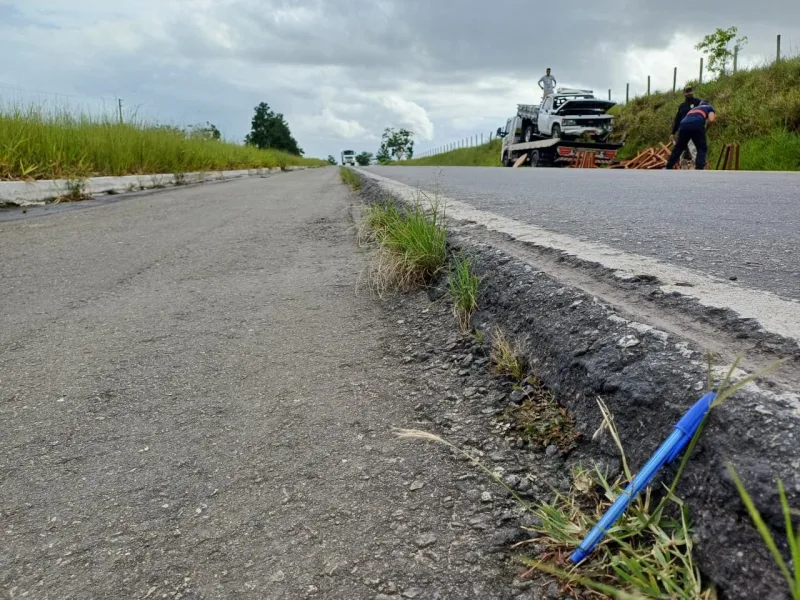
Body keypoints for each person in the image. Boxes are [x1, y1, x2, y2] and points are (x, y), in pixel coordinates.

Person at [666, 100, 716, 170]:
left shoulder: (693, 109)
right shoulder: (709, 107)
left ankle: (669, 166)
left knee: (678, 147)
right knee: (701, 147)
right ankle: (699, 167)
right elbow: (711, 120)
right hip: (697, 124)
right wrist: (706, 129)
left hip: (683, 125)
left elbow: (686, 120)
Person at [671, 86, 702, 165]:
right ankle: (683, 171)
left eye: (690, 91)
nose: (689, 93)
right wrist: (672, 133)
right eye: (687, 91)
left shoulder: (698, 102)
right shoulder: (682, 106)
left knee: (693, 149)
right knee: (681, 152)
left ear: (692, 92)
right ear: (684, 93)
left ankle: (698, 169)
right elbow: (677, 120)